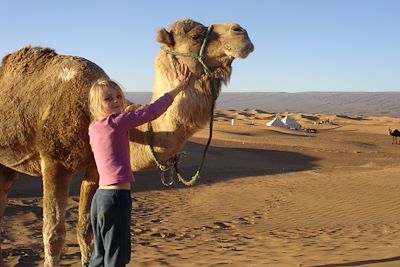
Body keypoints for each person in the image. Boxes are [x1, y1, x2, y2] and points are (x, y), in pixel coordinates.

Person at [88, 64, 192, 267]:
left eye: (118, 96)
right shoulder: (117, 123)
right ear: (96, 104)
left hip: (99, 200)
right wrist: (179, 87)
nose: (116, 101)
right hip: (116, 199)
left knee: (99, 257)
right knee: (116, 259)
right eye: (108, 98)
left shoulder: (94, 128)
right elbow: (153, 111)